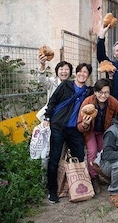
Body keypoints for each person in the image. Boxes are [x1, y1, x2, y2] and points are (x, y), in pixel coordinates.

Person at [44, 63, 93, 204]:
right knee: (54, 158)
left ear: (88, 76)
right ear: (76, 73)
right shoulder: (66, 86)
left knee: (80, 157)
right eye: (80, 71)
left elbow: (104, 89)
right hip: (59, 127)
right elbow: (52, 102)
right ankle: (52, 191)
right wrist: (47, 118)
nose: (82, 74)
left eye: (85, 72)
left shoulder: (88, 92)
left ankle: (78, 187)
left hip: (75, 130)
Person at [77, 78, 118, 194]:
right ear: (95, 92)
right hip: (90, 131)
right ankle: (94, 177)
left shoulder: (113, 102)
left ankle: (104, 175)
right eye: (100, 92)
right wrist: (85, 124)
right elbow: (79, 126)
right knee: (92, 151)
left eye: (106, 92)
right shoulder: (87, 102)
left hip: (104, 131)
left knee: (103, 152)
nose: (103, 95)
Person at [36, 56, 73, 122]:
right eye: (61, 69)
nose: (64, 71)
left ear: (70, 72)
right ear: (57, 71)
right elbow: (42, 80)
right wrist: (42, 65)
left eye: (66, 69)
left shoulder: (72, 85)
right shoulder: (52, 82)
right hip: (50, 115)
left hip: (64, 117)